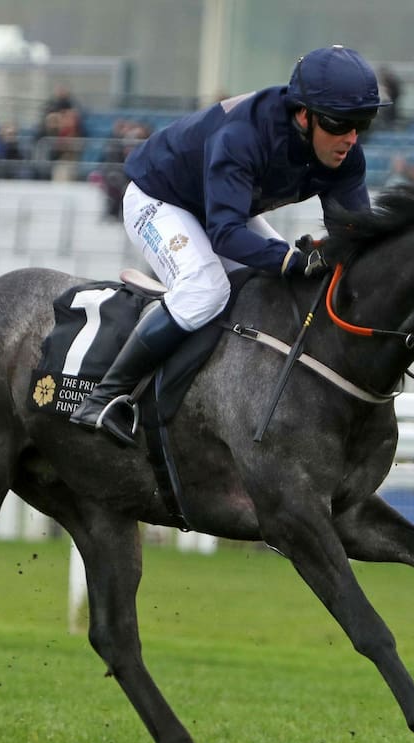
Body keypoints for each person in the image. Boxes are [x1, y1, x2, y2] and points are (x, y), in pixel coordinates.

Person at [70, 45, 391, 445]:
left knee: (283, 288)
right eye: (341, 123)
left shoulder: (346, 155)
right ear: (304, 115)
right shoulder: (243, 136)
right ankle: (105, 397)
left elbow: (355, 235)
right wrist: (291, 258)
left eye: (363, 122)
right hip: (159, 199)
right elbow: (224, 232)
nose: (351, 137)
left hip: (220, 207)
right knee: (207, 288)